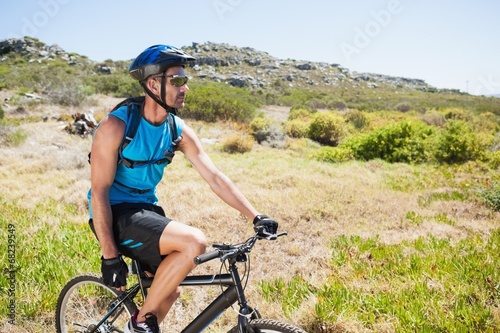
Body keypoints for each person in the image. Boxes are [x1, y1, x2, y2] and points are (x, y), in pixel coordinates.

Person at [87, 44, 278, 333]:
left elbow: (213, 176)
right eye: (177, 80)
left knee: (169, 291)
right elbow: (99, 190)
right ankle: (139, 323)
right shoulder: (116, 126)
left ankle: (135, 327)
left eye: (185, 80)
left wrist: (255, 216)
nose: (185, 88)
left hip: (146, 210)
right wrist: (109, 256)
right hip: (115, 213)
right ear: (153, 84)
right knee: (194, 242)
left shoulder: (178, 129)